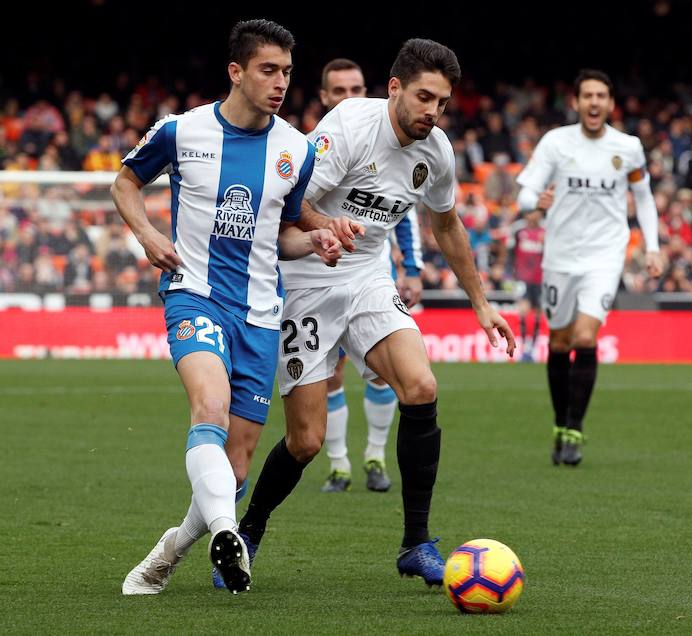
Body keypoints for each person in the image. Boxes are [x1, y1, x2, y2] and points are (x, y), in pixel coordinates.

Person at [233, 38, 515, 589]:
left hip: (366, 277)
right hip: (306, 279)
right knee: (306, 441)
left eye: (442, 103)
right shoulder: (350, 127)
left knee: (421, 386)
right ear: (395, 89)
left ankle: (415, 543)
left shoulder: (436, 151)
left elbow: (447, 224)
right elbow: (289, 203)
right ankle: (250, 529)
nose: (432, 112)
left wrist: (481, 303)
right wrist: (325, 228)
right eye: (423, 98)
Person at [115, 19, 340, 595]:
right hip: (195, 295)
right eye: (268, 70)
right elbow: (124, 184)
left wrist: (311, 240)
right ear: (236, 72)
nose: (280, 82)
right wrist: (146, 235)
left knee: (236, 467)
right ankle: (226, 533)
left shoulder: (295, 149)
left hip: (263, 316)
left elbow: (281, 232)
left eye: (287, 72)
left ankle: (169, 551)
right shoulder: (181, 131)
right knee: (208, 407)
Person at [516, 69, 662, 467]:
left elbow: (644, 199)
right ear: (576, 102)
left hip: (604, 255)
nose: (594, 102)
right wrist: (534, 204)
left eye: (601, 96)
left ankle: (575, 429)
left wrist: (652, 246)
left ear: (611, 103)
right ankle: (560, 424)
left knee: (584, 338)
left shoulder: (628, 147)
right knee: (559, 343)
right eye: (587, 96)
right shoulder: (556, 143)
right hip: (560, 256)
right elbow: (527, 190)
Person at [311, 58, 424, 495]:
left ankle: (375, 456)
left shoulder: (394, 144)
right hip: (318, 274)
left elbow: (403, 211)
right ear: (324, 97)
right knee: (331, 376)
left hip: (371, 271)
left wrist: (411, 268)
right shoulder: (318, 144)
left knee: (380, 374)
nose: (348, 98)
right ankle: (338, 465)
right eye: (338, 91)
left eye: (356, 88)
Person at [504, 207, 545, 362]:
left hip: (540, 280)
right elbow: (509, 253)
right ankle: (522, 347)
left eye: (535, 211)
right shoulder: (518, 229)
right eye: (529, 211)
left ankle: (531, 349)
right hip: (522, 278)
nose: (532, 215)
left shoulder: (545, 230)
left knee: (538, 315)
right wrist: (508, 274)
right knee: (523, 311)